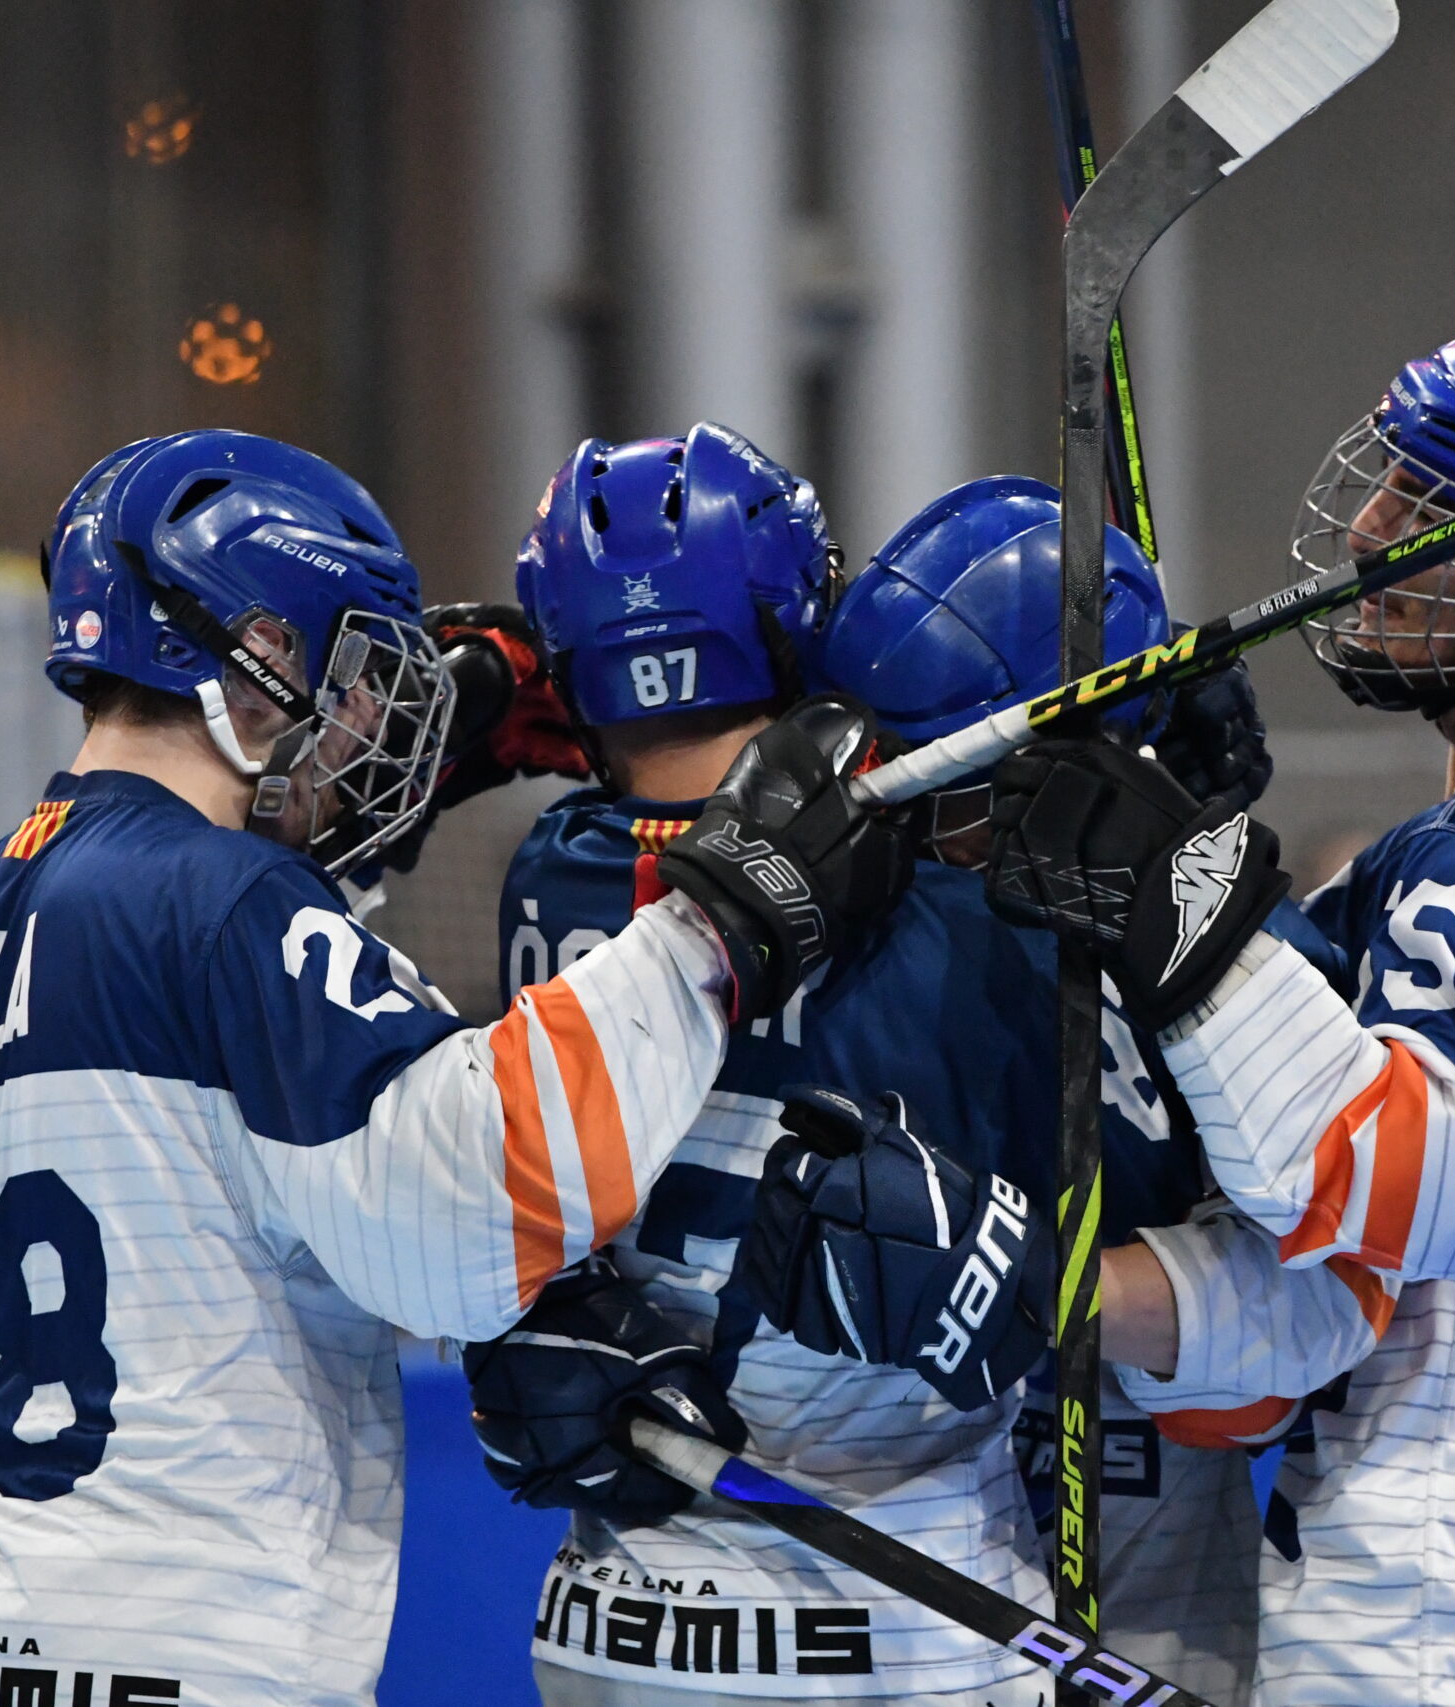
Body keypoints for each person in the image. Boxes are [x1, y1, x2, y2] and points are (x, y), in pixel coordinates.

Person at [753, 325, 1455, 1704]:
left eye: (1429, 505)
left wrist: (1189, 902)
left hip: (1443, 1611)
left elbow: (1429, 1193)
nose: (1375, 531)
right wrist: (1200, 846)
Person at [0, 429, 912, 1707]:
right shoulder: (230, 908)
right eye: (355, 674)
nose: (373, 722)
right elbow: (469, 1215)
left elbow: (213, 1139)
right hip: (172, 1647)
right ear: (260, 663)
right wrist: (717, 920)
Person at [470, 454, 1238, 1705]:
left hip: (606, 1614)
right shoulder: (960, 916)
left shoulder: (545, 875)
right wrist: (1188, 832)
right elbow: (1197, 1228)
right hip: (899, 1625)